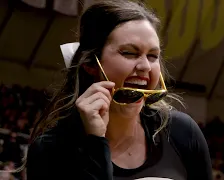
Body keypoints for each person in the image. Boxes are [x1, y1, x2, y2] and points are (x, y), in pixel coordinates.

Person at [26, 0, 213, 179]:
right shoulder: (51, 149)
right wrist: (96, 143)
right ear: (91, 63)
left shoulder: (182, 132)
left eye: (153, 56)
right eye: (129, 53)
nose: (145, 67)